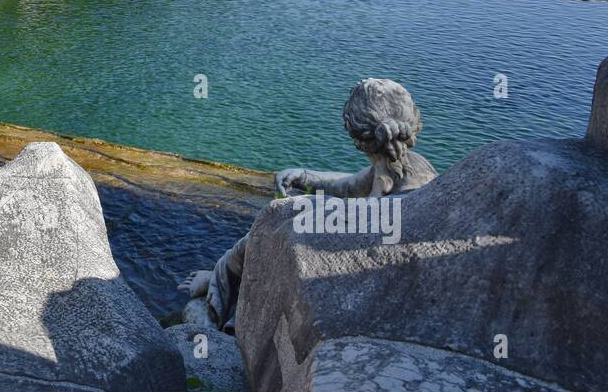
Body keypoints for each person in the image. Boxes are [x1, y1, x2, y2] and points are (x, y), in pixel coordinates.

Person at [178, 78, 437, 333]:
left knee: (272, 229)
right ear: (412, 122)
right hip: (401, 292)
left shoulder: (345, 212)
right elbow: (351, 184)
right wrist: (305, 176)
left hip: (352, 299)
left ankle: (216, 299)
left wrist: (217, 277)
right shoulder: (414, 166)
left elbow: (254, 244)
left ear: (356, 137)